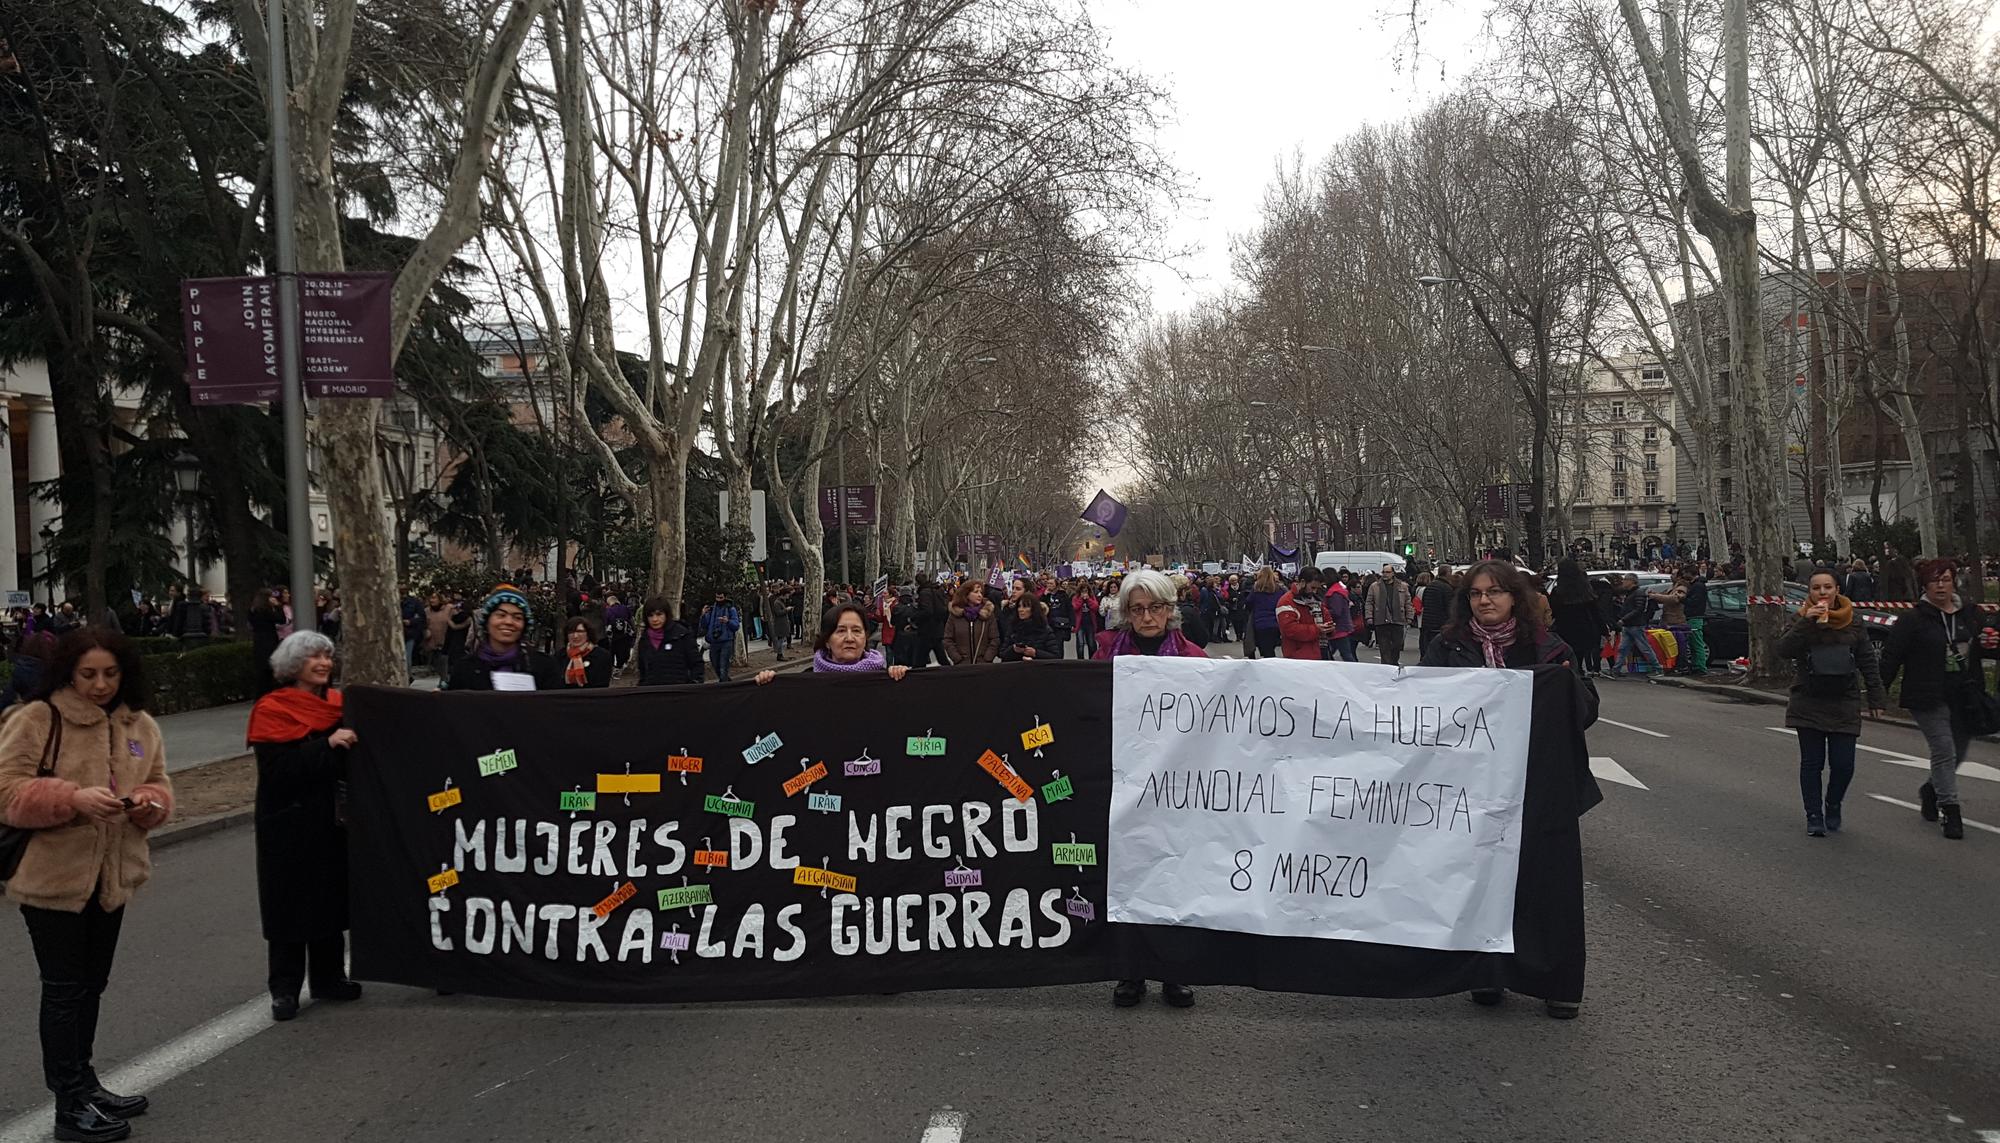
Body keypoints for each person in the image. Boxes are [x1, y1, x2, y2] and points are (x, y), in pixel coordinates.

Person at [0, 629, 173, 1139]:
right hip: (52, 879)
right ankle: (68, 1105)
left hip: (112, 877)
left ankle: (85, 1082)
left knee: (91, 985)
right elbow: (6, 792)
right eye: (88, 674)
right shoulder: (38, 717)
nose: (100, 685)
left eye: (111, 673)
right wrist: (71, 798)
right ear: (68, 673)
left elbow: (160, 783)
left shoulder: (139, 723)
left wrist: (149, 804)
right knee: (64, 991)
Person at [1421, 560, 1597, 1019]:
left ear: (1514, 597)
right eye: (1476, 593)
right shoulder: (1447, 646)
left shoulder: (1547, 646)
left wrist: (1564, 686)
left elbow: (1587, 710)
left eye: (1495, 592)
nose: (1485, 600)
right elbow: (1421, 705)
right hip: (1471, 787)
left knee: (1545, 881)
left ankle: (1556, 981)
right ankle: (1486, 971)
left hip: (1538, 784)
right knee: (1479, 880)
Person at [1092, 568, 1203, 1009]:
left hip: (1176, 789)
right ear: (1126, 613)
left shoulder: (1194, 659)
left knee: (1173, 876)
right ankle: (1131, 970)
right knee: (1127, 877)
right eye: (1137, 609)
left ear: (1170, 610)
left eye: (1155, 607)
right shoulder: (1106, 656)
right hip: (1123, 786)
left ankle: (1175, 971)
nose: (1147, 617)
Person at [247, 631, 364, 1023]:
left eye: (327, 656)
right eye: (314, 656)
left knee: (329, 896)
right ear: (293, 664)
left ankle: (329, 978)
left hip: (330, 817)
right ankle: (284, 988)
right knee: (288, 905)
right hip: (287, 821)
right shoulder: (272, 709)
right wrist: (326, 746)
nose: (324, 663)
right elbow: (279, 771)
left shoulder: (338, 705)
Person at [1879, 559, 1989, 840]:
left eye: (1946, 579)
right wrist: (1878, 694)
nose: (1940, 586)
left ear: (1954, 583)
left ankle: (1931, 790)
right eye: (1934, 581)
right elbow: (1891, 656)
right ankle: (1951, 811)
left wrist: (1991, 644)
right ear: (1925, 586)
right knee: (1943, 749)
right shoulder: (1913, 619)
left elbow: (1984, 649)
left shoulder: (1971, 615)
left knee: (1958, 752)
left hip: (1964, 694)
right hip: (1927, 695)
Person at [1779, 571, 1889, 837]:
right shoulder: (1800, 618)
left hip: (1844, 700)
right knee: (1812, 763)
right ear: (1809, 591)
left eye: (1827, 587)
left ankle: (1833, 802)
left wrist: (1876, 696)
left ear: (1837, 589)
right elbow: (1783, 650)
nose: (1822, 592)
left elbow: (1867, 660)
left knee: (1843, 765)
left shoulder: (1854, 620)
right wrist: (1806, 622)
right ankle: (1814, 815)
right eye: (1816, 587)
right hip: (1809, 699)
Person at [754, 602, 912, 683]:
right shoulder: (805, 683)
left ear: (865, 638)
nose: (849, 638)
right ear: (827, 640)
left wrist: (904, 680)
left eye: (856, 631)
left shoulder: (885, 679)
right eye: (841, 631)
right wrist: (769, 686)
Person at [445, 586, 562, 691]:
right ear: (487, 621)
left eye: (517, 617)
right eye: (501, 615)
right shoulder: (464, 669)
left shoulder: (544, 667)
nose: (508, 622)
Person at [1549, 561, 1604, 682]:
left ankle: (1569, 676)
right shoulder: (1585, 590)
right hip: (1584, 627)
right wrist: (1603, 629)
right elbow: (1595, 612)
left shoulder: (1558, 591)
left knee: (1566, 655)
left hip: (1564, 628)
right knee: (1579, 656)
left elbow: (1553, 611)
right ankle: (1578, 674)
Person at [634, 599, 704, 686]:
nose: (655, 619)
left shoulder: (682, 635)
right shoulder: (644, 640)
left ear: (666, 614)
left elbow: (696, 664)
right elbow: (643, 670)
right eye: (650, 615)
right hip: (652, 690)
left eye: (659, 614)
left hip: (679, 689)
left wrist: (694, 685)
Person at [943, 580, 1000, 665]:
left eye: (981, 592)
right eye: (976, 592)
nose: (980, 595)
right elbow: (948, 639)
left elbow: (994, 639)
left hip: (983, 666)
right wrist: (957, 659)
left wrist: (987, 658)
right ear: (966, 594)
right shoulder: (955, 615)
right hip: (962, 666)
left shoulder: (987, 615)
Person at [1366, 565, 1413, 666]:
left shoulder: (1402, 586)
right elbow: (1369, 602)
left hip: (1398, 620)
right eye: (1383, 572)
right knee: (1384, 647)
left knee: (1397, 646)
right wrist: (1369, 617)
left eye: (1387, 572)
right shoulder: (1375, 586)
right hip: (1381, 620)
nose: (1385, 574)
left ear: (1393, 573)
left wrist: (1409, 616)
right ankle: (1387, 667)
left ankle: (1394, 664)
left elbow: (1408, 602)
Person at [1276, 570, 1326, 660]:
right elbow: (1289, 629)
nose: (1315, 592)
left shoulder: (1316, 599)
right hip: (1298, 655)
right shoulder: (1286, 601)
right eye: (1313, 587)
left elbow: (1326, 616)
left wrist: (1329, 628)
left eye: (1318, 588)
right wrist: (1317, 629)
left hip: (1318, 650)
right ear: (1302, 582)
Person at [998, 595, 1060, 662]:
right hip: (1015, 667)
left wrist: (1036, 653)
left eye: (1025, 607)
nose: (1021, 610)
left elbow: (1055, 656)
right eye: (1019, 606)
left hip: (1037, 667)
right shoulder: (1013, 627)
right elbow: (1002, 654)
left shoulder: (1044, 629)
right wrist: (1013, 649)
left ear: (1033, 609)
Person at [558, 616, 614, 689]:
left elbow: (602, 684)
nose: (575, 636)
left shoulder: (602, 656)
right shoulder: (559, 656)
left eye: (580, 631)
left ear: (588, 634)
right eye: (571, 632)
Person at [699, 590, 742, 682]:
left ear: (725, 597)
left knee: (723, 666)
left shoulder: (731, 609)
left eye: (721, 598)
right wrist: (703, 614)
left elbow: (736, 625)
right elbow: (704, 625)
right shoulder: (711, 609)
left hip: (726, 641)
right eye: (717, 597)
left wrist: (728, 621)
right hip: (714, 641)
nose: (718, 600)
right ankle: (726, 682)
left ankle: (723, 684)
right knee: (715, 665)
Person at [248, 588, 285, 694]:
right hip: (269, 639)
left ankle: (260, 692)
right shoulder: (266, 611)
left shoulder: (253, 610)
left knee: (261, 669)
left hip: (258, 640)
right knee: (270, 667)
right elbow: (281, 619)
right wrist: (278, 606)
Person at [1246, 568, 1284, 659]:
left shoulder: (1256, 590)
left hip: (1260, 623)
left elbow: (1248, 603)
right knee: (1270, 648)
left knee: (1266, 650)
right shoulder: (1279, 589)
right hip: (1275, 623)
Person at [1681, 565, 1711, 676]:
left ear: (1690, 573)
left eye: (1685, 573)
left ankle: (1701, 668)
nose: (1684, 575)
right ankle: (1695, 666)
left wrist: (1683, 599)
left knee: (1697, 643)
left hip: (1695, 617)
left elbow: (1694, 602)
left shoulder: (1697, 586)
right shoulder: (1696, 585)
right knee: (1693, 644)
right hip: (1693, 617)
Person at [1418, 570, 1452, 659]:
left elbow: (1424, 602)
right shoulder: (1447, 588)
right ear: (1448, 573)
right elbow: (1449, 606)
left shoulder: (1429, 586)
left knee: (1427, 644)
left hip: (1427, 621)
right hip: (1440, 621)